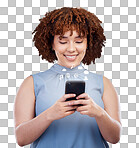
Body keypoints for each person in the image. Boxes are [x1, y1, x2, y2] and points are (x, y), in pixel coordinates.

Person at [13, 7, 122, 148]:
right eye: (63, 41)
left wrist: (99, 113)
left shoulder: (103, 83)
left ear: (88, 43)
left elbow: (114, 138)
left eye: (78, 41)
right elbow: (21, 139)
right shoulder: (32, 83)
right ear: (51, 43)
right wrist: (50, 114)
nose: (71, 49)